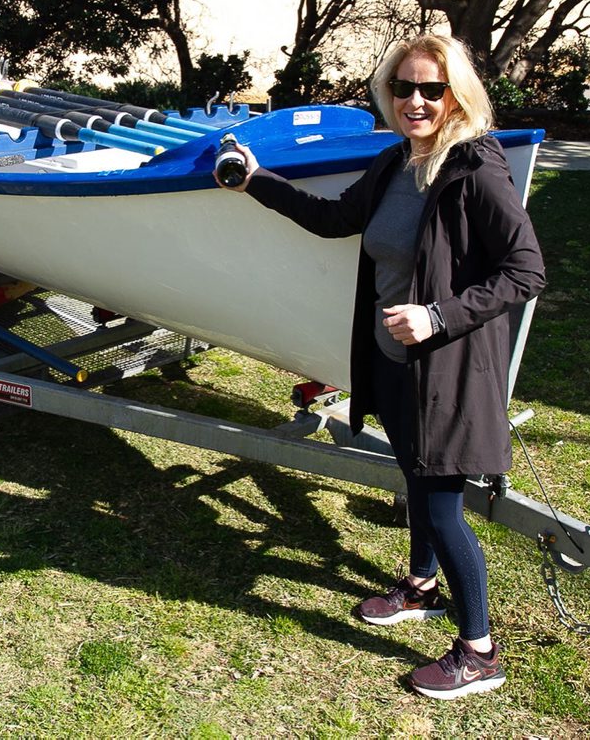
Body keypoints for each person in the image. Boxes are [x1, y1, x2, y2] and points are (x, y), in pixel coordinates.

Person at [214, 34, 545, 700]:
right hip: (393, 360)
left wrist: (438, 316)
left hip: (446, 370)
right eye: (403, 88)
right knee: (415, 479)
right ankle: (421, 586)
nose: (415, 101)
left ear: (457, 96)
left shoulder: (475, 169)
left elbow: (526, 271)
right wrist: (256, 181)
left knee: (443, 508)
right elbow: (335, 217)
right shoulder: (397, 161)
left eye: (431, 89)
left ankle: (479, 652)